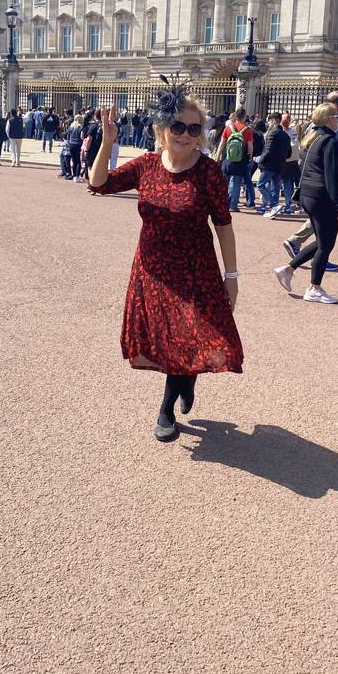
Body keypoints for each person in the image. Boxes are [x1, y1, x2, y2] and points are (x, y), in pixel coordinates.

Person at [88, 81, 243, 443]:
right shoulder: (146, 166)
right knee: (168, 341)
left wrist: (231, 276)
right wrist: (107, 142)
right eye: (178, 127)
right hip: (153, 271)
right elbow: (98, 184)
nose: (185, 135)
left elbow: (223, 225)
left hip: (196, 271)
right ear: (161, 128)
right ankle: (184, 384)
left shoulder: (208, 172)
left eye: (194, 129)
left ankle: (167, 407)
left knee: (196, 337)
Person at [274, 103, 338, 304]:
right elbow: (332, 178)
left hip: (307, 194)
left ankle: (288, 269)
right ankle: (314, 287)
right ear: (330, 119)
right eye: (336, 117)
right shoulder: (329, 141)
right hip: (321, 196)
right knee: (326, 244)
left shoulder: (312, 138)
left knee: (323, 241)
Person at [282, 90, 338, 271]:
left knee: (323, 233)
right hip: (322, 188)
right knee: (325, 238)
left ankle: (294, 263)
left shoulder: (311, 129)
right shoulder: (332, 134)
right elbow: (336, 164)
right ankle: (309, 268)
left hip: (309, 187)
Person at [215, 107, 252, 212]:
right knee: (237, 182)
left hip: (228, 157)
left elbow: (222, 144)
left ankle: (223, 202)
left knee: (224, 181)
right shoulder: (247, 130)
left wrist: (217, 156)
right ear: (244, 117)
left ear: (235, 116)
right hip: (241, 158)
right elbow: (250, 146)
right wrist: (250, 156)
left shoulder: (228, 128)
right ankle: (233, 205)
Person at [256, 112, 291, 218]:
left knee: (260, 185)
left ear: (274, 120)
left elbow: (268, 150)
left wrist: (260, 160)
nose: (268, 122)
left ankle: (273, 205)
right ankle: (273, 209)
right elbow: (289, 153)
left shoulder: (272, 133)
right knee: (275, 188)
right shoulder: (285, 134)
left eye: (270, 120)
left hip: (269, 165)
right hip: (280, 165)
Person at [67, 114, 85, 181]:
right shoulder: (81, 127)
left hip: (71, 144)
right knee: (78, 161)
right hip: (78, 144)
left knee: (74, 161)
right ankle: (77, 176)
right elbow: (82, 137)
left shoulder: (71, 126)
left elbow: (68, 136)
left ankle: (74, 175)